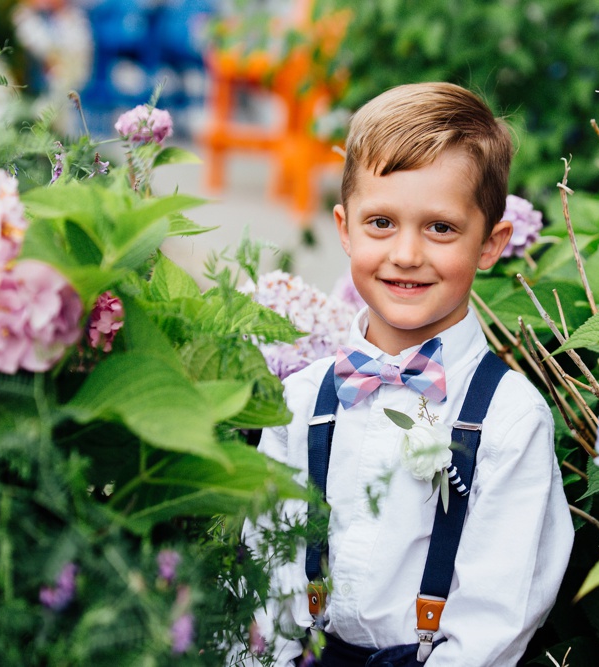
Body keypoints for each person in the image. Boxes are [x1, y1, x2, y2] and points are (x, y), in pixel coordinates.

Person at [242, 82, 574, 667]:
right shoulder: (301, 400)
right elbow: (265, 570)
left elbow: (496, 619)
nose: (406, 253)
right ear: (344, 228)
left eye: (441, 228)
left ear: (491, 244)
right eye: (381, 223)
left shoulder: (508, 418)